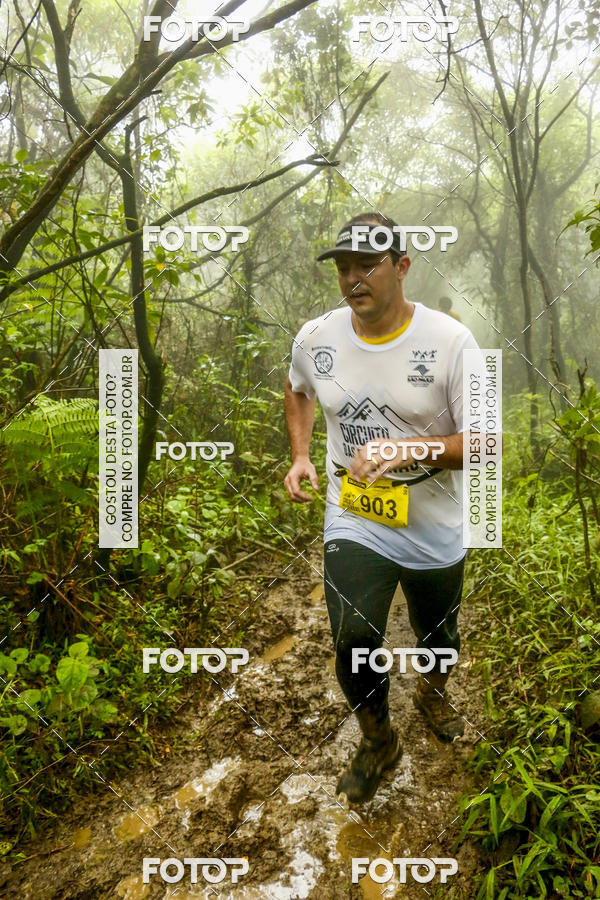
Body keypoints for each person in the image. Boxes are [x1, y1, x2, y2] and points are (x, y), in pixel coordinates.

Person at [283, 212, 481, 804]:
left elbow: (486, 442)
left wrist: (407, 447)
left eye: (366, 265)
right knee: (352, 635)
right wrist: (300, 456)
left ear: (401, 267)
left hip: (435, 520)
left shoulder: (452, 342)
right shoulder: (315, 337)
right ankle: (378, 739)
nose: (352, 279)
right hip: (356, 511)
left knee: (437, 633)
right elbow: (297, 389)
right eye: (343, 267)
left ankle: (433, 691)